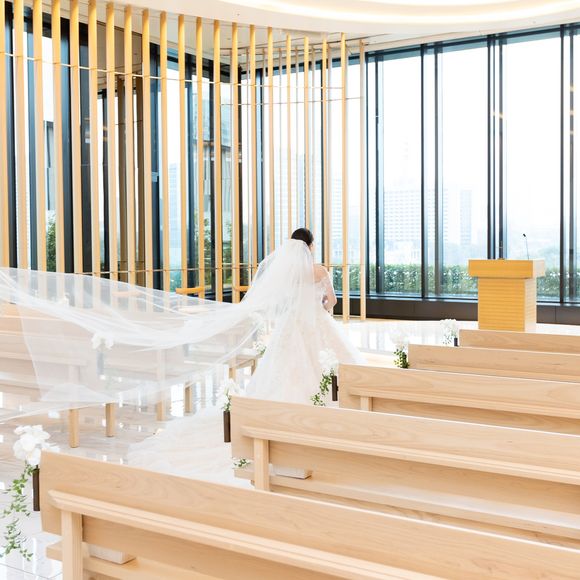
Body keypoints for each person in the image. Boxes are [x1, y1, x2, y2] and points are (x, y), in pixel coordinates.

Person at [128, 228, 364, 481]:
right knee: (329, 365)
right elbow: (332, 301)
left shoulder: (289, 273)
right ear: (311, 245)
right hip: (317, 323)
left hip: (291, 326)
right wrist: (322, 306)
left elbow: (282, 300)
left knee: (286, 368)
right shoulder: (320, 271)